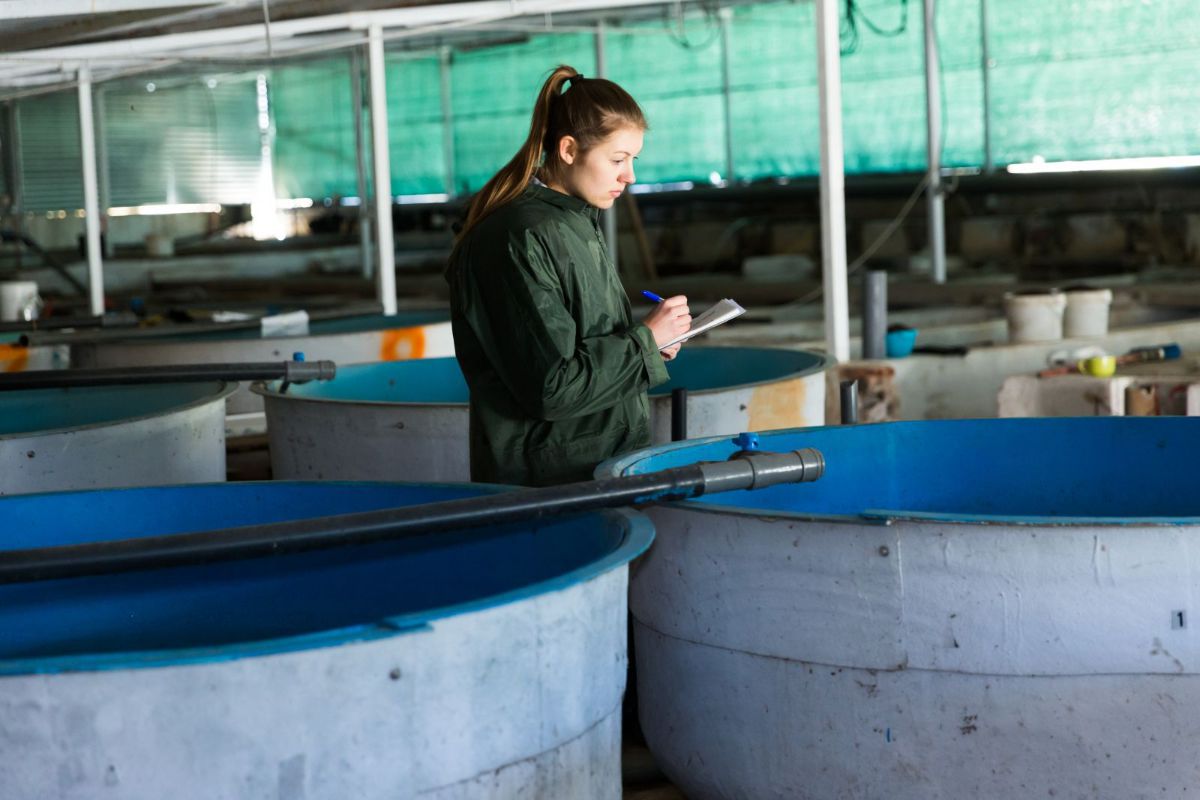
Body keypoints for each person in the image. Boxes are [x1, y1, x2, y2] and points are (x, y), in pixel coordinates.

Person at [445, 65, 691, 487]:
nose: (630, 175)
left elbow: (583, 342)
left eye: (633, 159)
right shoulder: (518, 237)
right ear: (568, 150)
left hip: (595, 464)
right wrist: (643, 343)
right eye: (617, 159)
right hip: (550, 483)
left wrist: (653, 342)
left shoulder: (573, 221)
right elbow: (552, 386)